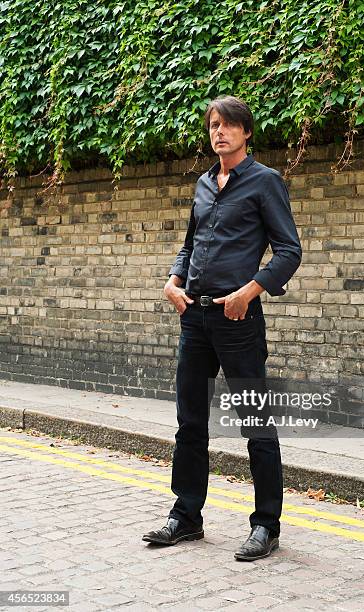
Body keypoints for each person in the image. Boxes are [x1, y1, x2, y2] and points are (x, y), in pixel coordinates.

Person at [142, 95, 302, 560]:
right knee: (190, 422)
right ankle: (186, 515)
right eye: (214, 125)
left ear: (246, 132)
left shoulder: (265, 182)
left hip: (239, 320)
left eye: (229, 125)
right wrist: (173, 281)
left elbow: (289, 252)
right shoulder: (203, 184)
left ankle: (266, 525)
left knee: (255, 425)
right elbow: (190, 245)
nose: (220, 132)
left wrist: (249, 292)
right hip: (195, 318)